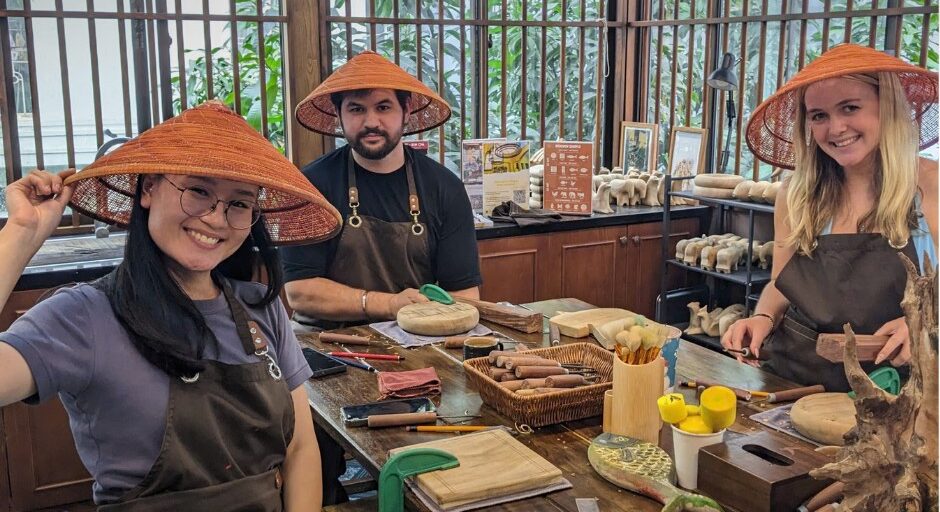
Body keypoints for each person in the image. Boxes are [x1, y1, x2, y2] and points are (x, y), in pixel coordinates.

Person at [0, 101, 343, 510]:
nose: (216, 219)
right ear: (148, 189)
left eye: (238, 203)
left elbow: (301, 448)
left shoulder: (260, 309)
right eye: (198, 190)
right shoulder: (84, 315)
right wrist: (20, 234)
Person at [723, 44, 938, 392]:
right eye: (819, 115)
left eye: (850, 108)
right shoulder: (796, 194)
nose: (835, 128)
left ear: (888, 108)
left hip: (899, 393)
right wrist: (762, 316)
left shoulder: (930, 185)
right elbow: (782, 284)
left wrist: (925, 322)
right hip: (796, 384)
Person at [283, 50, 482, 332]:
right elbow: (300, 292)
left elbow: (464, 296)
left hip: (412, 336)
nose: (371, 122)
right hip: (323, 340)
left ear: (407, 110)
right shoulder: (311, 185)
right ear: (338, 114)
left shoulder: (444, 187)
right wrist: (387, 304)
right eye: (356, 109)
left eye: (384, 107)